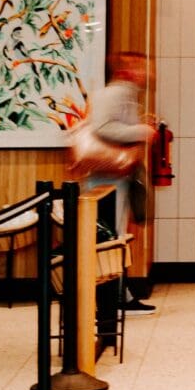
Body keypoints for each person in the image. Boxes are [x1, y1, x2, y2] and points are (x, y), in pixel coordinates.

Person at [83, 50, 158, 312]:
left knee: (111, 236)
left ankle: (118, 296)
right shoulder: (117, 94)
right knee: (109, 238)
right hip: (109, 178)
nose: (147, 73)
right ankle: (113, 300)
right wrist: (142, 130)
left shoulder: (121, 94)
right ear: (126, 69)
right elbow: (103, 127)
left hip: (112, 176)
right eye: (141, 66)